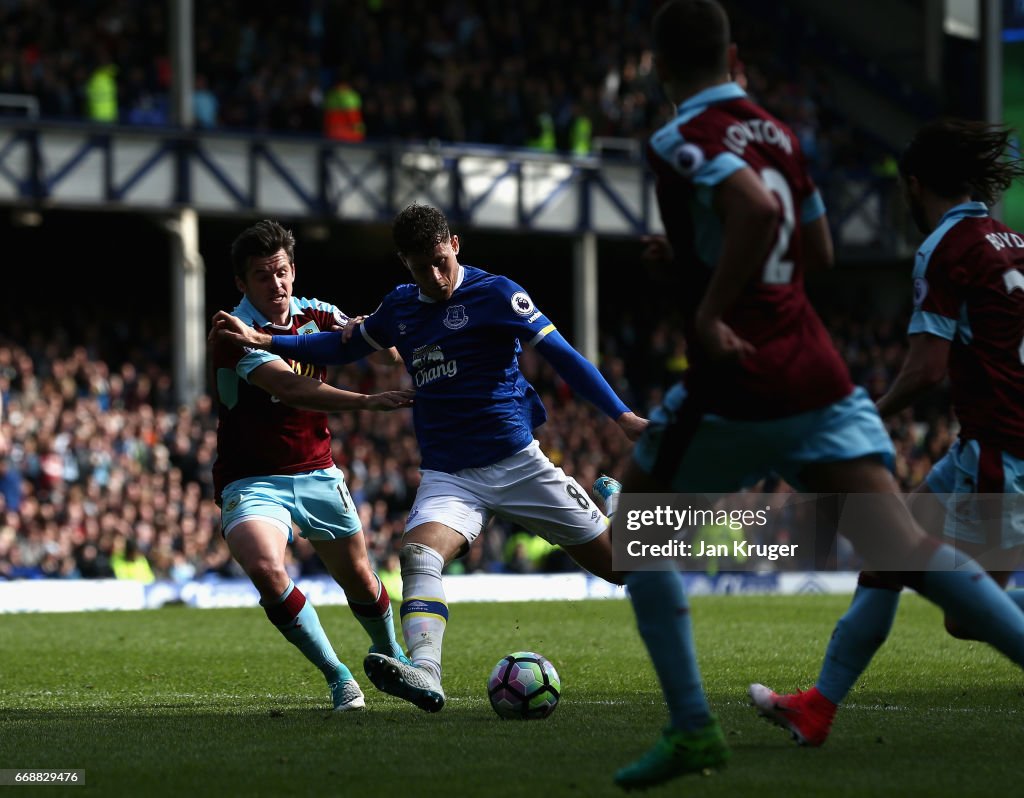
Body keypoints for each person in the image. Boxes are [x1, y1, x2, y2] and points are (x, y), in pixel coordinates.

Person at [607, 1, 1024, 789]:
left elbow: (756, 211)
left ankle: (693, 727)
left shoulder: (675, 138)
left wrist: (707, 304)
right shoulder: (780, 132)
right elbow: (817, 247)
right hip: (821, 375)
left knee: (641, 533)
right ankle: (816, 704)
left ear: (658, 66)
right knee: (900, 548)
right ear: (733, 55)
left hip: (739, 377)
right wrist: (698, 258)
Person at [211, 203, 647, 713]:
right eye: (422, 268)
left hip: (518, 463)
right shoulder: (400, 307)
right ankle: (425, 673)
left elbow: (565, 357)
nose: (435, 276)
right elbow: (341, 347)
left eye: (441, 261)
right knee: (418, 555)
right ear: (405, 264)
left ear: (455, 245)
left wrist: (621, 416)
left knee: (625, 569)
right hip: (449, 476)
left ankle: (624, 507)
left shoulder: (499, 293)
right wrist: (267, 339)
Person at [749, 118, 1024, 746]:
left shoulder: (947, 246)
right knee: (885, 557)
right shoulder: (1015, 241)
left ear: (916, 185)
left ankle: (818, 706)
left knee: (965, 618)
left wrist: (865, 414)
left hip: (1001, 450)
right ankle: (817, 707)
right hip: (980, 444)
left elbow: (926, 368)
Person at [209, 219, 414, 712]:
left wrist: (368, 334)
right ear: (242, 283)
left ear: (293, 271)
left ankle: (394, 657)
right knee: (264, 567)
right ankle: (339, 676)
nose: (275, 285)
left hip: (317, 471)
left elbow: (385, 357)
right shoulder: (232, 331)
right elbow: (292, 387)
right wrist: (368, 403)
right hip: (253, 480)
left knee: (361, 579)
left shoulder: (317, 313)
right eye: (262, 275)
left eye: (281, 272)